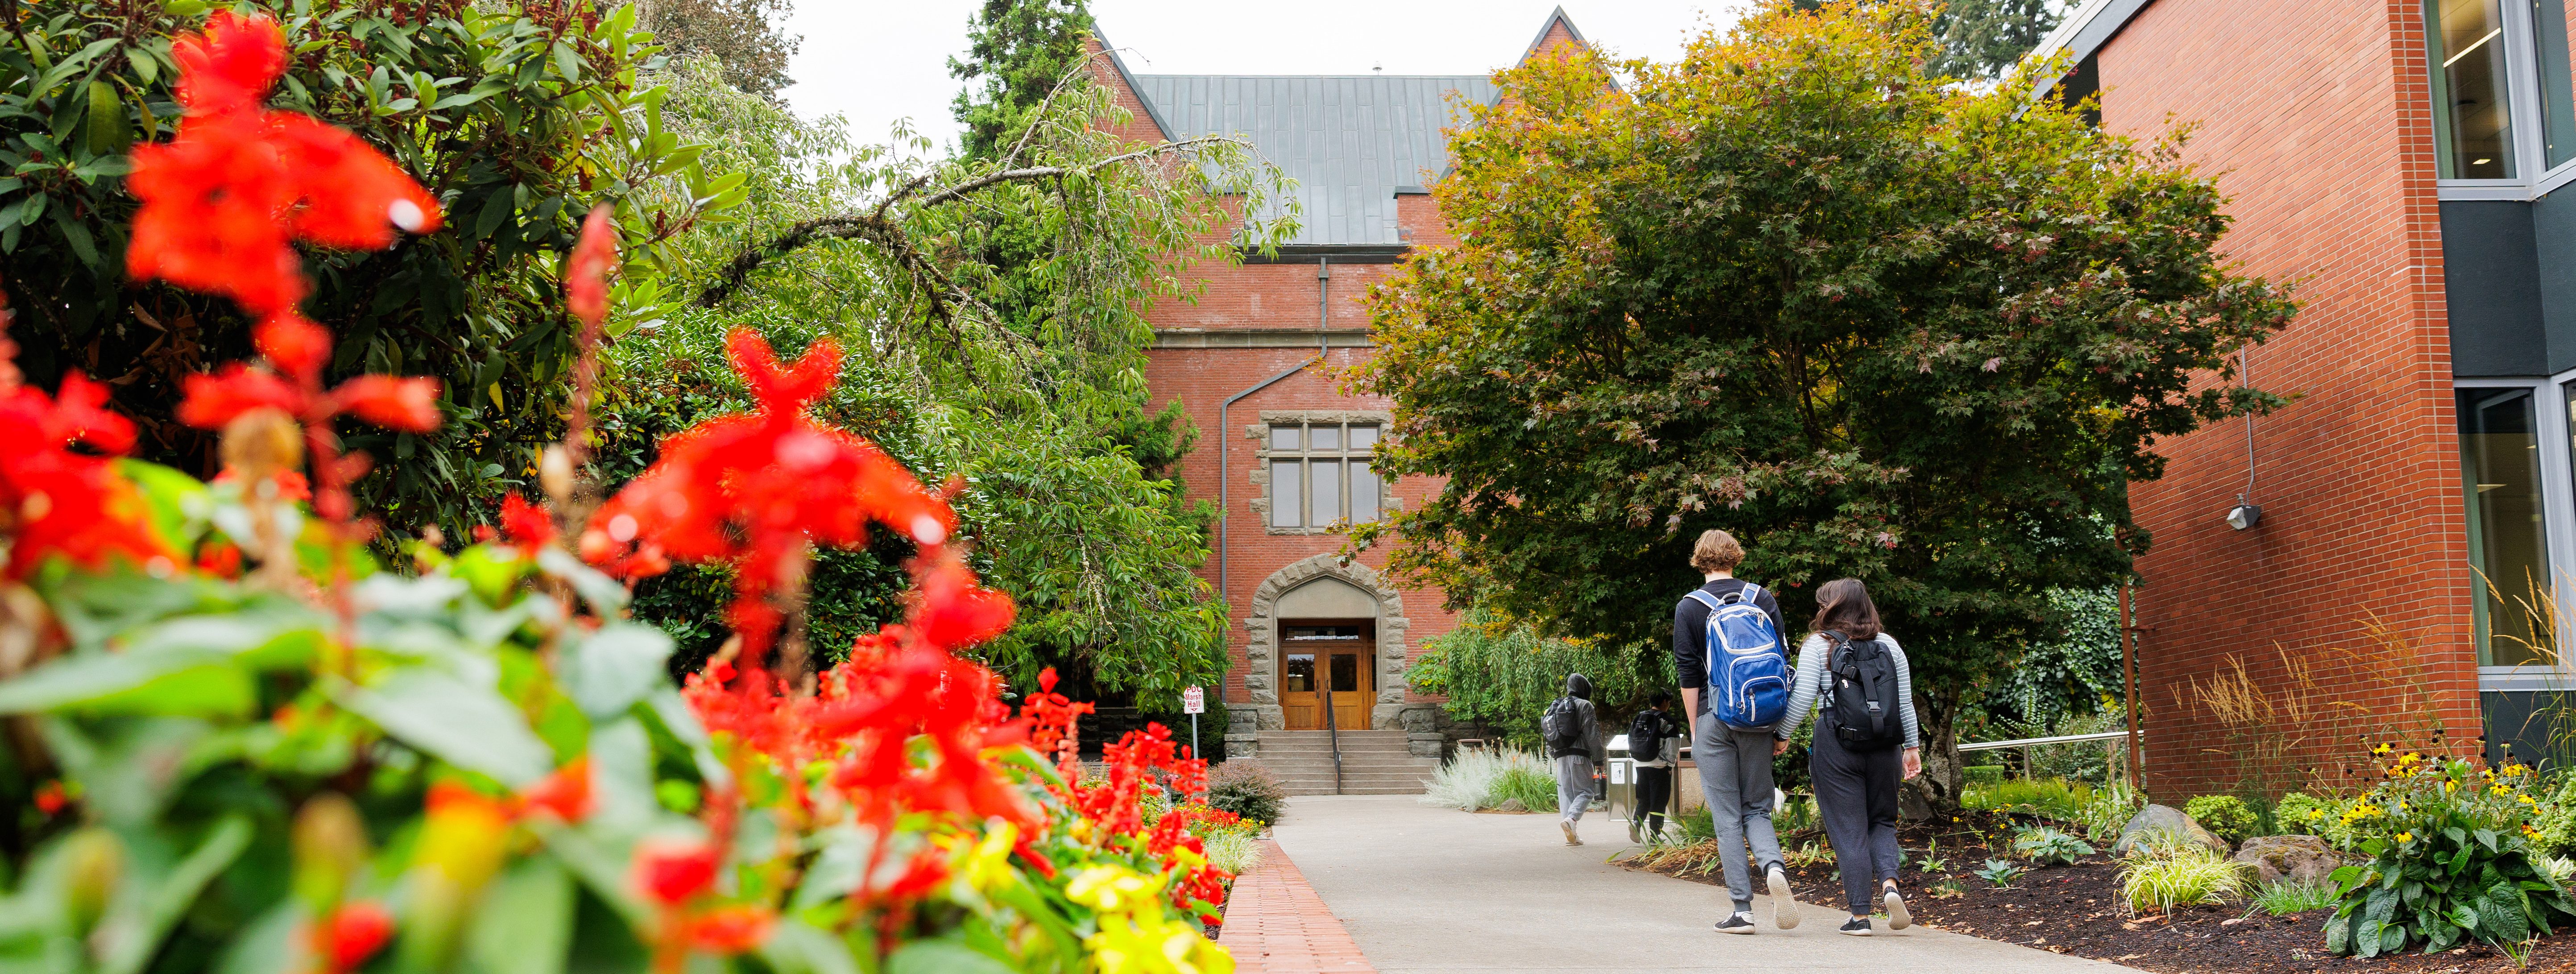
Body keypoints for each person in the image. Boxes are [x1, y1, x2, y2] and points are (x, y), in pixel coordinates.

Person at [1773, 577, 1921, 937]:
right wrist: (1912, 747)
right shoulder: (1890, 645)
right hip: (1886, 744)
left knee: (1848, 828)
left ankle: (1859, 917)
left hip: (1836, 742)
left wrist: (1782, 735)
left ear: (1832, 607)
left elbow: (1804, 696)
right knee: (1882, 820)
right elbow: (1904, 703)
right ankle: (1890, 886)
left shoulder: (1818, 645)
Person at [1673, 529, 1799, 934]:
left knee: (1727, 816)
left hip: (1715, 716)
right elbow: (1782, 661)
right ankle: (1774, 867)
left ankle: (1743, 910)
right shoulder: (1762, 599)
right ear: (1735, 557)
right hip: (1758, 717)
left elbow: (1689, 674)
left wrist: (1696, 728)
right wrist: (1780, 727)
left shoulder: (1689, 607)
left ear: (1700, 559)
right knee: (1758, 807)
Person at [1547, 672, 1605, 846]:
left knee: (1567, 795)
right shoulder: (1585, 705)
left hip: (1561, 756)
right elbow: (1593, 735)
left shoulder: (1556, 706)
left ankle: (1571, 835)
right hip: (1580, 755)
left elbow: (1549, 733)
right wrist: (1599, 760)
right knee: (1586, 792)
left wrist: (1555, 753)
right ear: (1585, 689)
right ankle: (1571, 820)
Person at [1628, 691, 1683, 844]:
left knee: (1644, 799)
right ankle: (1654, 836)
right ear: (1665, 701)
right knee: (1659, 801)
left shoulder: (1639, 718)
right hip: (1659, 766)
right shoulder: (1667, 720)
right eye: (1669, 702)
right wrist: (1670, 766)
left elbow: (1631, 739)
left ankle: (1637, 823)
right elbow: (1672, 746)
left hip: (1640, 764)